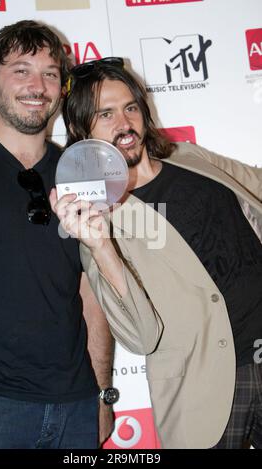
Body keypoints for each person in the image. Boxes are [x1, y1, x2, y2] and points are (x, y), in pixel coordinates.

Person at [50, 57, 262, 449]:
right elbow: (141, 336)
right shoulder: (97, 221)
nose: (124, 123)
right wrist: (100, 246)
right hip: (207, 389)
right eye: (106, 114)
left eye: (130, 107)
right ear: (82, 130)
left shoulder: (190, 157)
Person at [0, 21, 115, 449]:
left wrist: (102, 393)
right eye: (22, 69)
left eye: (50, 73)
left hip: (77, 406)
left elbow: (93, 292)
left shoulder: (82, 173)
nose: (38, 84)